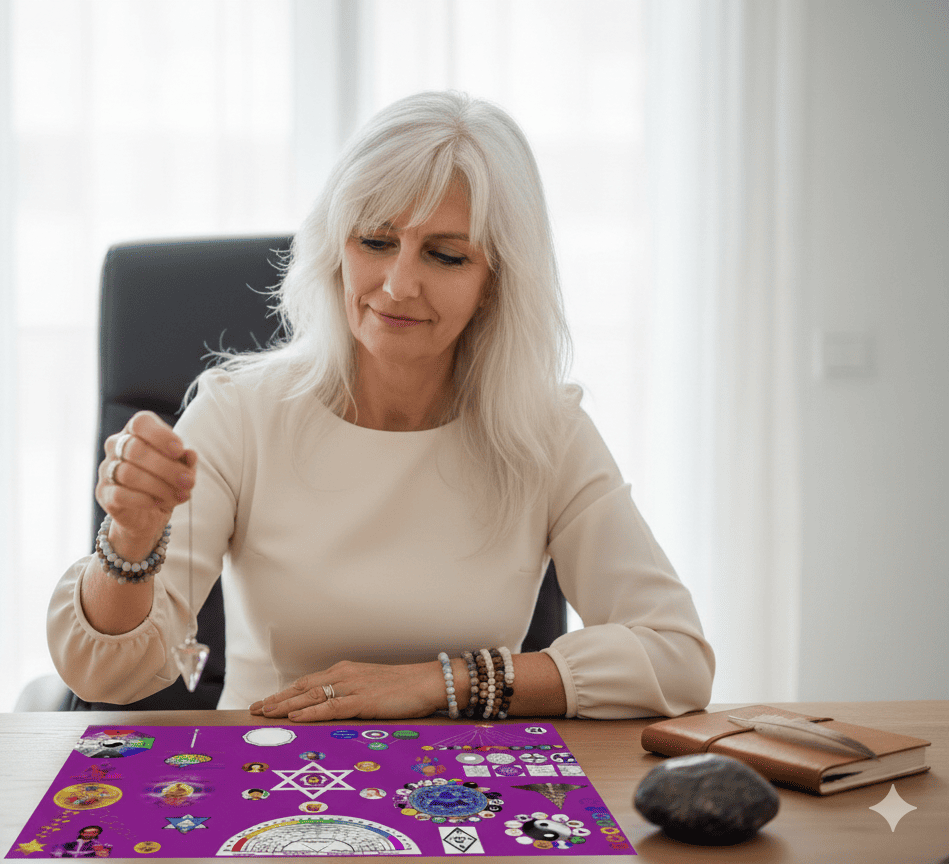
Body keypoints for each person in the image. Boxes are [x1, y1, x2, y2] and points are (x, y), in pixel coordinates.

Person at [48, 91, 714, 721]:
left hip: (467, 788)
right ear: (336, 248)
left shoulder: (548, 433)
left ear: (494, 283)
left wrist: (437, 683)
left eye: (446, 255)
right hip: (269, 770)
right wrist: (130, 544)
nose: (398, 284)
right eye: (375, 241)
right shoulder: (241, 414)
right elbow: (107, 678)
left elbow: (677, 655)